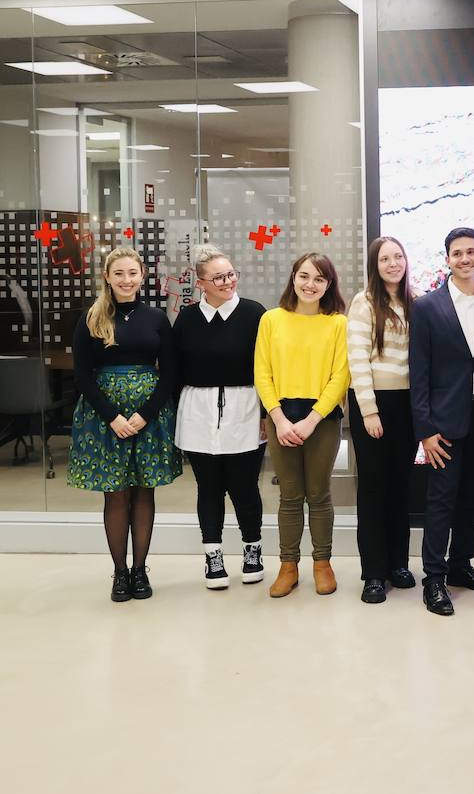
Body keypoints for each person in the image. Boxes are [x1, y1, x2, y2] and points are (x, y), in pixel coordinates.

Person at [69, 247, 181, 602]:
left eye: (132, 273)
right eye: (119, 273)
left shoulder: (157, 318)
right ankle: (119, 573)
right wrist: (112, 417)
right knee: (116, 494)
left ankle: (139, 570)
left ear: (142, 276)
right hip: (105, 418)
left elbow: (172, 372)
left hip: (148, 416)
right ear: (107, 277)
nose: (126, 280)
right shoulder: (92, 316)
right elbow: (82, 375)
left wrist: (146, 413)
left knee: (144, 490)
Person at [410, 227, 474, 617]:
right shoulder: (428, 307)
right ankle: (434, 577)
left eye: (471, 252)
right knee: (441, 500)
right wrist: (425, 430)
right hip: (443, 421)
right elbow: (419, 372)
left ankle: (461, 566)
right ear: (447, 259)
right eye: (457, 253)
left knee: (471, 498)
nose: (464, 259)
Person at [254, 252, 350, 598]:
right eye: (305, 276)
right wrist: (277, 419)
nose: (311, 285)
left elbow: (341, 375)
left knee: (319, 494)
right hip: (281, 417)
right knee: (290, 496)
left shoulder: (337, 323)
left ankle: (322, 563)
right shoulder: (271, 320)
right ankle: (288, 565)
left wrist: (312, 420)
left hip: (321, 419)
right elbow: (262, 372)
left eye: (319, 279)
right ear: (293, 277)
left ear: (329, 285)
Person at [172, 245, 267, 590]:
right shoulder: (187, 319)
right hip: (198, 410)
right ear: (200, 284)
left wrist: (269, 414)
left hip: (246, 408)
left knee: (244, 487)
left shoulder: (255, 314)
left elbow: (268, 368)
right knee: (208, 488)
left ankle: (252, 550)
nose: (228, 282)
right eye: (218, 277)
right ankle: (213, 556)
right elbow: (174, 370)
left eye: (231, 274)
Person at [346, 237, 417, 605]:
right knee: (373, 488)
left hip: (407, 403)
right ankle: (374, 572)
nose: (393, 263)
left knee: (400, 486)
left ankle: (398, 564)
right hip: (372, 404)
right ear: (375, 265)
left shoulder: (415, 300)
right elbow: (357, 358)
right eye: (385, 258)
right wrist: (370, 410)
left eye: (398, 256)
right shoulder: (364, 302)